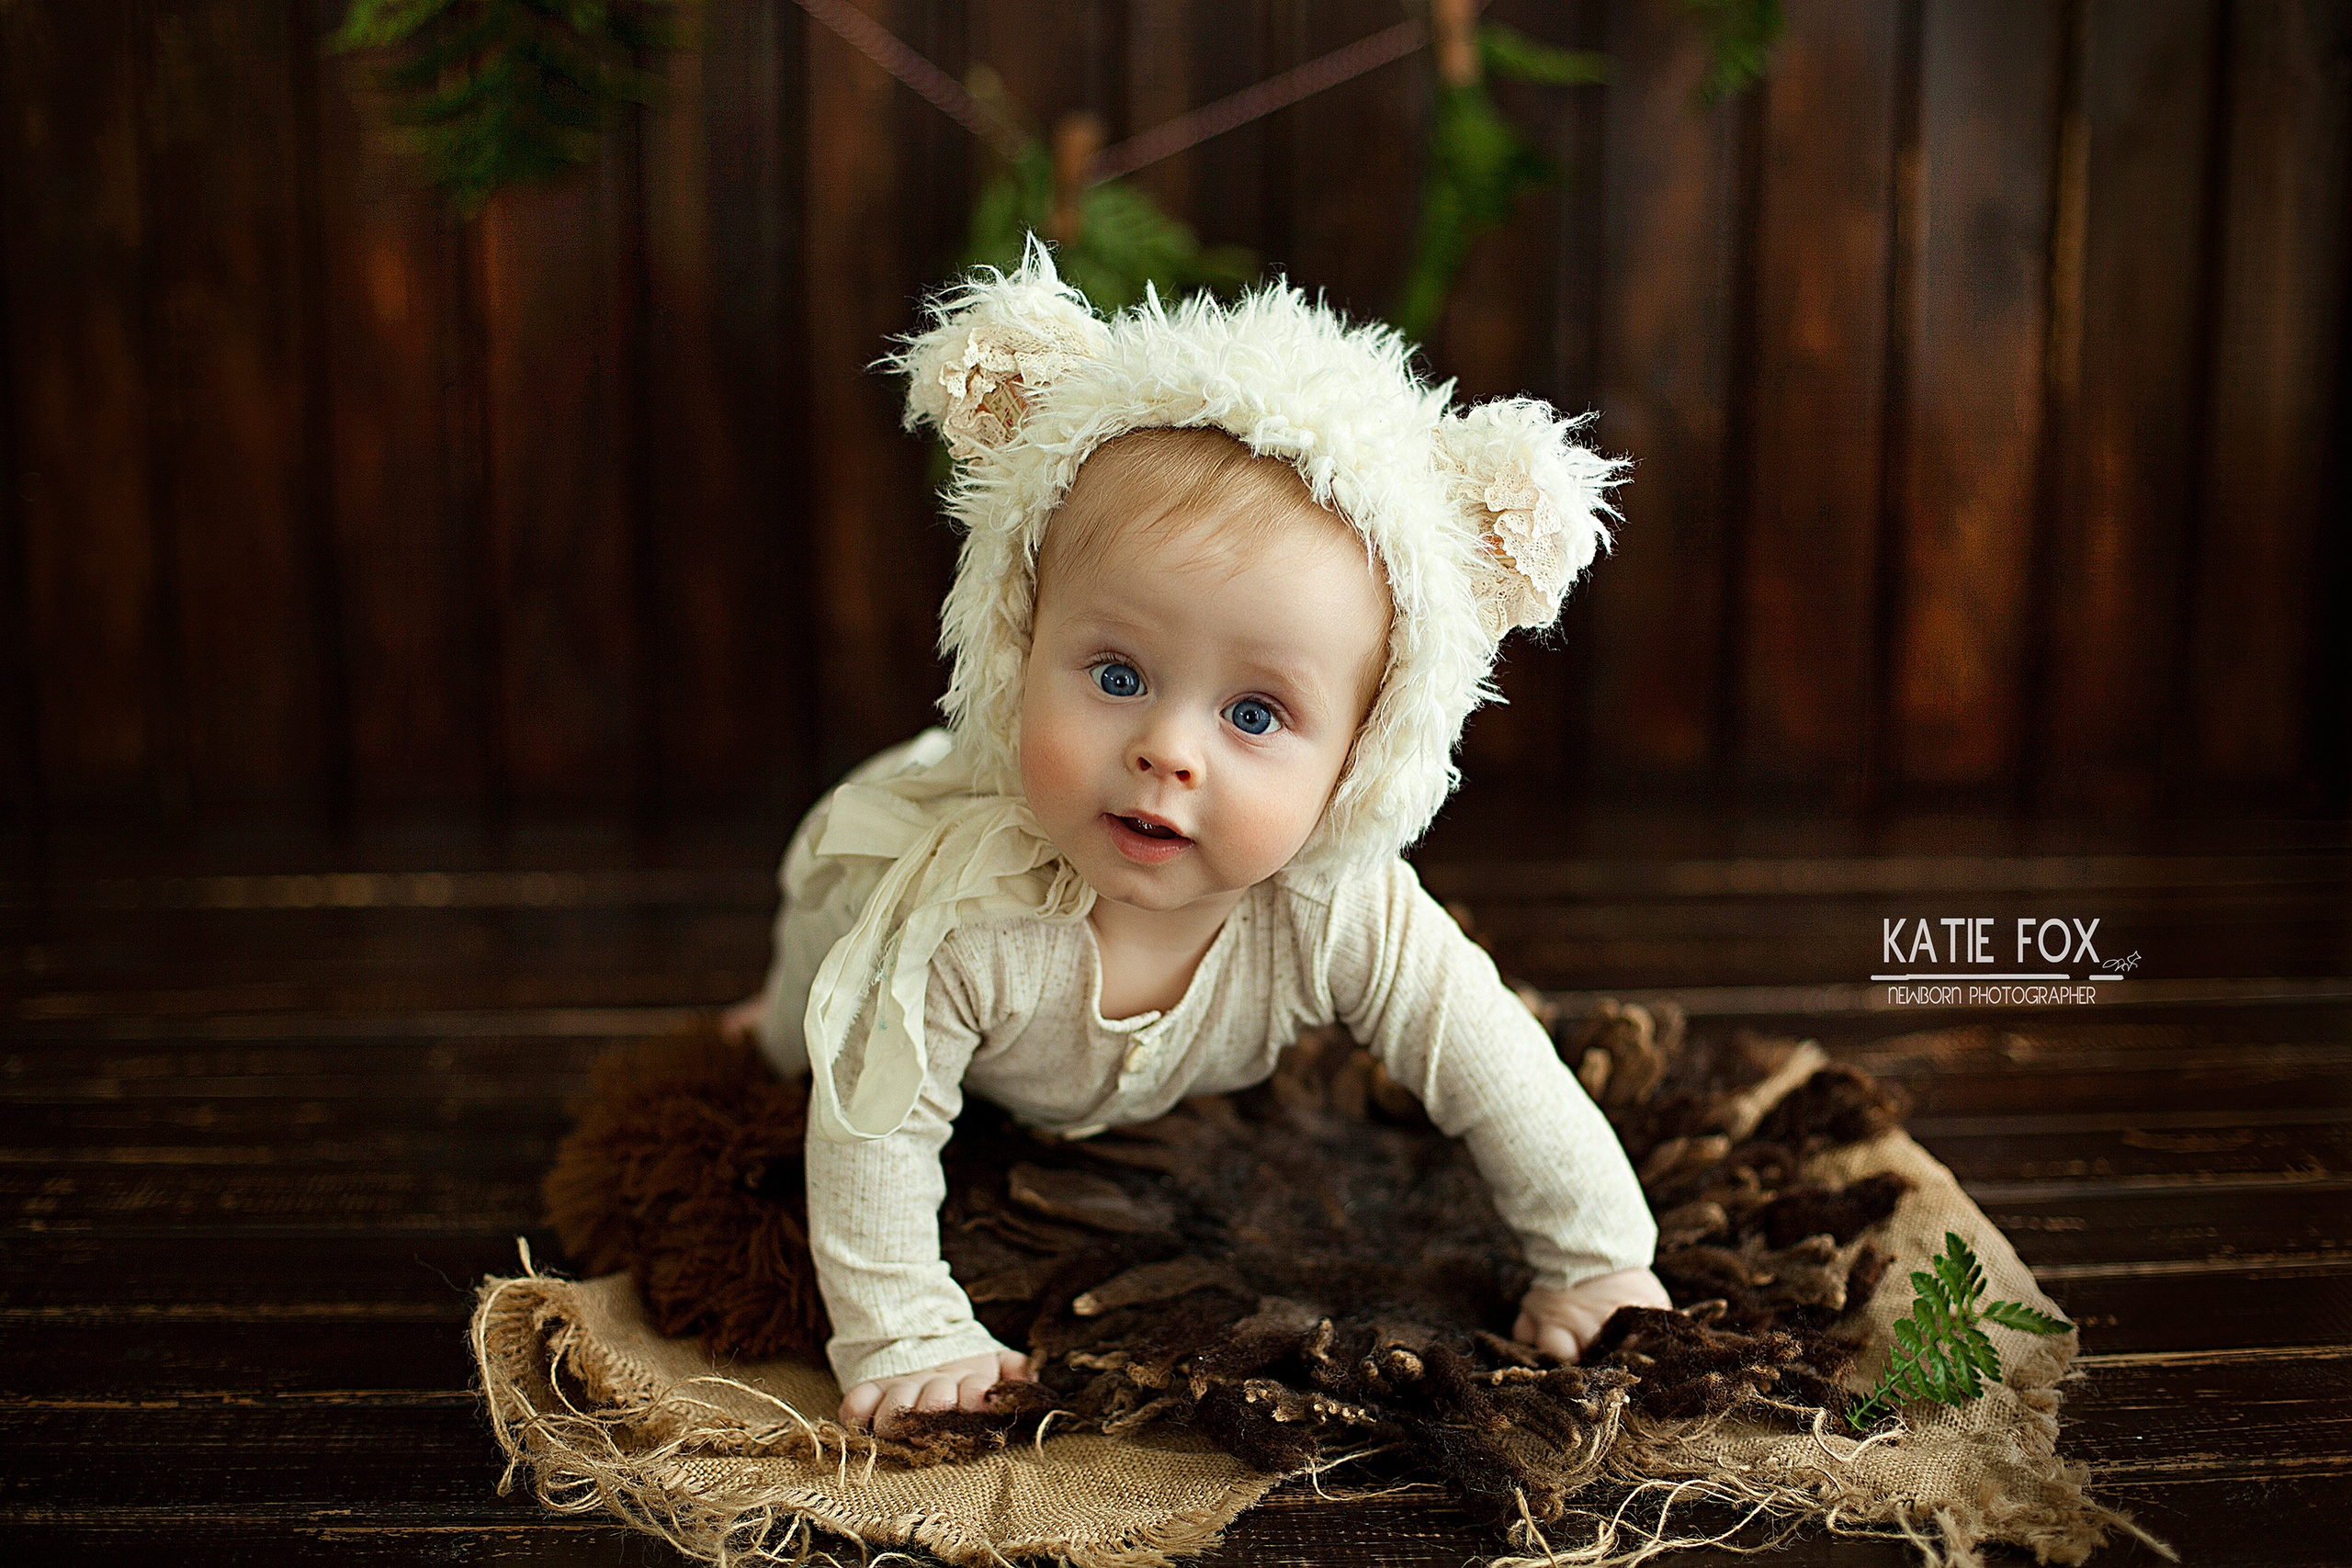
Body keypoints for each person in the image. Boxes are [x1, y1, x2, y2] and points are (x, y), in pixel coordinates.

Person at [722, 247, 1669, 1437]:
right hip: (848, 886)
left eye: (1256, 714)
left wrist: (1597, 1258)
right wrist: (908, 1331)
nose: (1169, 749)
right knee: (810, 1027)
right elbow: (872, 1126)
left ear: (1364, 756)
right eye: (1117, 675)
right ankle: (760, 1016)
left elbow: (1504, 1073)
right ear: (1021, 651)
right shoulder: (957, 911)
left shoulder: (1342, 910)